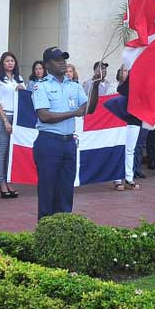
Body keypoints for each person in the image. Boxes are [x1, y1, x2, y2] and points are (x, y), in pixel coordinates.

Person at [32, 47, 97, 220]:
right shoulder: (41, 86)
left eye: (64, 59)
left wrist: (95, 85)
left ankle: (63, 229)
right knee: (48, 190)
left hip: (69, 143)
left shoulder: (74, 86)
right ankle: (45, 231)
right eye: (57, 59)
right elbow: (44, 115)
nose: (62, 62)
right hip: (49, 142)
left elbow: (88, 108)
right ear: (47, 65)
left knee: (66, 189)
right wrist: (74, 112)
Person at [0, 52, 24, 198]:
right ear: (2, 63)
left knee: (11, 152)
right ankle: (2, 183)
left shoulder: (18, 78)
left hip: (16, 116)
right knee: (2, 151)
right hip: (2, 117)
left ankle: (9, 180)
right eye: (7, 61)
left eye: (12, 61)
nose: (10, 63)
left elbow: (24, 98)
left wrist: (22, 90)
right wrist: (5, 120)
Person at [112, 74, 142, 191]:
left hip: (134, 120)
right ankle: (117, 179)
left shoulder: (139, 86)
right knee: (119, 149)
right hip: (119, 120)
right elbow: (122, 91)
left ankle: (129, 177)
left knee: (130, 149)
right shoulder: (119, 87)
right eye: (124, 70)